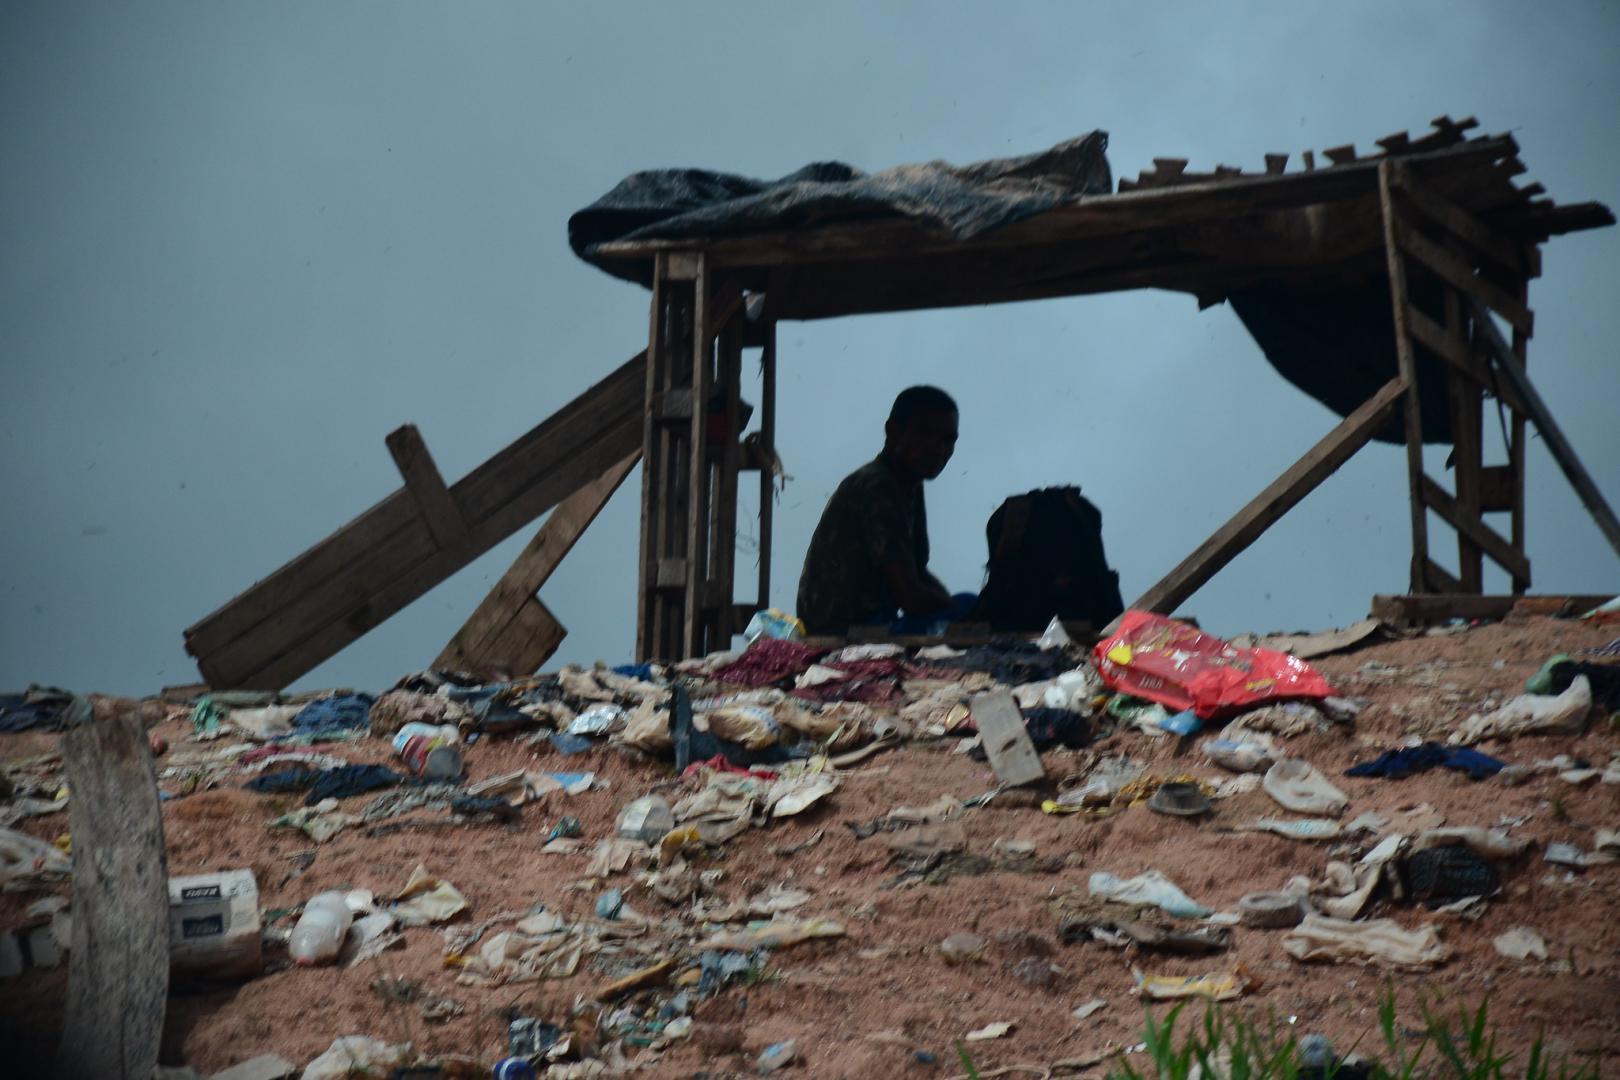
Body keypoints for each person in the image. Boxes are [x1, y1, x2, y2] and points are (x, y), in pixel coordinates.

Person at [796, 385, 973, 636]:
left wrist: (964, 611)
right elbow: (909, 596)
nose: (939, 448)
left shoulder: (910, 485)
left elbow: (918, 573)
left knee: (968, 606)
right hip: (842, 631)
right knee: (966, 611)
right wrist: (962, 614)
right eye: (926, 433)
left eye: (948, 440)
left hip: (877, 622)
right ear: (893, 431)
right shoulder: (877, 486)